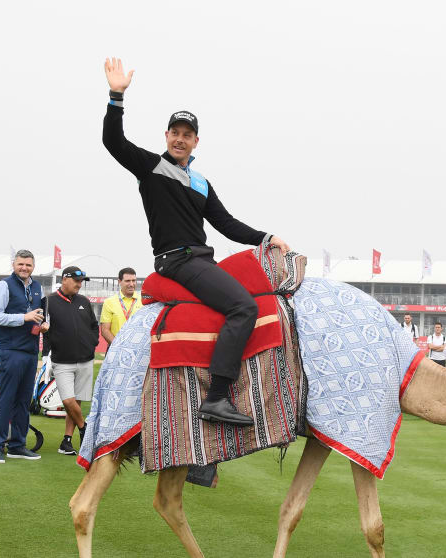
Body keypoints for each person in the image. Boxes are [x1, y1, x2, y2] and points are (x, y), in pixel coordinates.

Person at [101, 57, 291, 427]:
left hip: (202, 261)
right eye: (175, 132)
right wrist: (116, 96)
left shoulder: (202, 182)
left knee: (242, 298)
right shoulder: (151, 167)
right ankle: (217, 397)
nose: (180, 139)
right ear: (167, 136)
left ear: (195, 141)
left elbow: (225, 223)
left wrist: (266, 238)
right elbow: (113, 141)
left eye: (187, 134)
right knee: (244, 308)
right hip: (178, 261)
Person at [0, 250, 46, 464]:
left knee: (23, 400)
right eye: (21, 264)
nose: (24, 268)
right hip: (10, 350)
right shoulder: (3, 286)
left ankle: (17, 446)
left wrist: (43, 324)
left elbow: (42, 314)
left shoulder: (38, 287)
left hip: (31, 351)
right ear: (14, 264)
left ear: (33, 266)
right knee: (6, 398)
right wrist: (24, 317)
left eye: (28, 265)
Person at [41, 266, 100, 456]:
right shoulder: (49, 301)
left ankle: (67, 440)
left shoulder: (83, 301)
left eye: (81, 281)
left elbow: (93, 326)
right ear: (65, 279)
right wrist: (45, 355)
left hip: (85, 359)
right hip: (62, 361)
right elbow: (43, 328)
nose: (79, 284)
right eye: (76, 280)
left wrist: (92, 343)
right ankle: (85, 429)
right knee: (68, 400)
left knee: (77, 402)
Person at [100, 267, 142, 348]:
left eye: (133, 280)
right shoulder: (109, 302)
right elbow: (105, 330)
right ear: (119, 281)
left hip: (138, 350)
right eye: (127, 281)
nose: (131, 284)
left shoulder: (144, 301)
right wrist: (119, 347)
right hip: (115, 348)